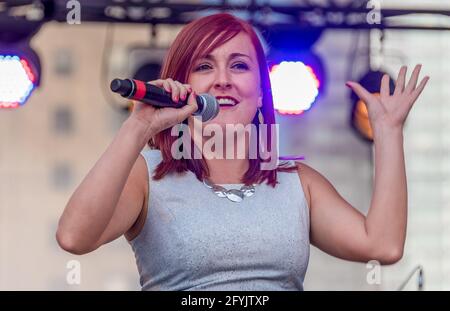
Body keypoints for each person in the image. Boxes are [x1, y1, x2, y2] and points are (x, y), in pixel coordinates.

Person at [56, 13, 429, 291]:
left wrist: (388, 132)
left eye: (239, 65)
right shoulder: (147, 176)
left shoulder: (296, 183)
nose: (223, 79)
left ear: (263, 91)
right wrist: (139, 127)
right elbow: (74, 237)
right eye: (204, 66)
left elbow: (382, 244)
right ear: (182, 87)